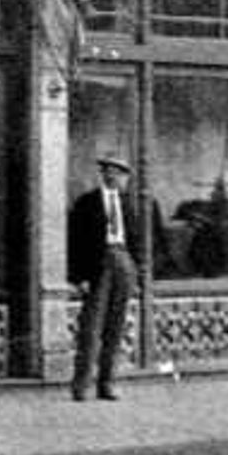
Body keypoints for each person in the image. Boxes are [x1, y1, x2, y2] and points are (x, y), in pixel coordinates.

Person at [66, 152, 147, 401]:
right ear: (105, 173)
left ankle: (107, 384)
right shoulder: (87, 203)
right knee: (91, 329)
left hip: (123, 262)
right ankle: (81, 386)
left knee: (116, 328)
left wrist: (138, 271)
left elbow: (136, 239)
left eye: (123, 173)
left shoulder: (127, 204)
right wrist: (78, 277)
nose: (120, 177)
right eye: (115, 172)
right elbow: (75, 242)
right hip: (97, 266)